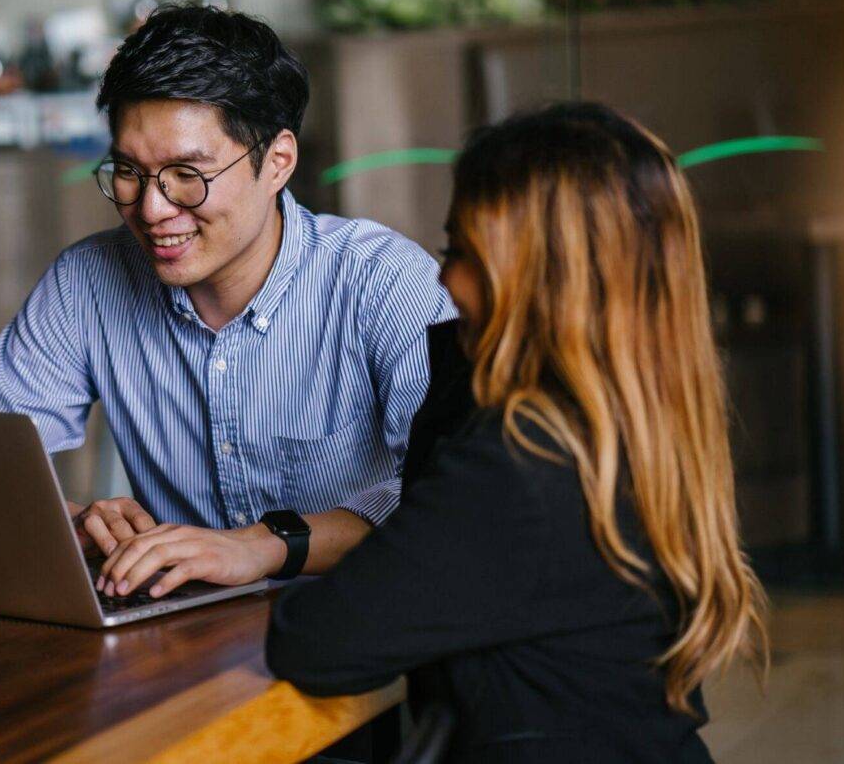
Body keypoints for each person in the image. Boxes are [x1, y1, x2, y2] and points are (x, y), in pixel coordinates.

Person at [266, 102, 769, 763]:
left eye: (464, 254)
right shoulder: (632, 431)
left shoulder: (520, 462)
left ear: (541, 279)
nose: (445, 280)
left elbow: (317, 642)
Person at [0, 5, 454, 598]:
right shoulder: (87, 282)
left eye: (186, 175)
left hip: (352, 633)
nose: (151, 209)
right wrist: (72, 524)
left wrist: (262, 546)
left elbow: (448, 499)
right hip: (183, 642)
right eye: (128, 171)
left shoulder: (383, 283)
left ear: (277, 162)